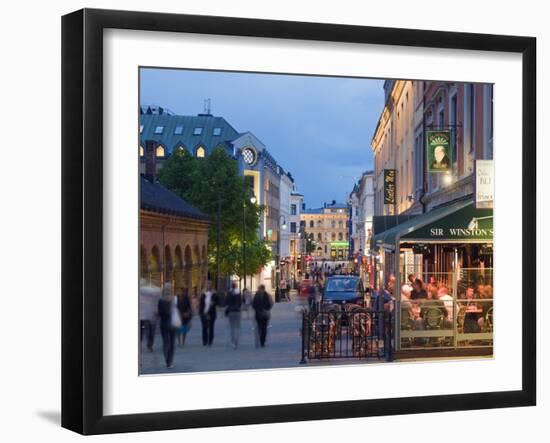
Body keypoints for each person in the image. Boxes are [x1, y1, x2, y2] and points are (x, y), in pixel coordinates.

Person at [157, 283, 178, 368]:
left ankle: (167, 360)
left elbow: (160, 313)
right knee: (172, 343)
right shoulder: (175, 299)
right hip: (172, 322)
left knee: (166, 342)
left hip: (164, 323)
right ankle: (170, 361)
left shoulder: (161, 300)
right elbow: (177, 311)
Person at [139, 284, 160, 352]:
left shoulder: (141, 296)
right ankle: (150, 345)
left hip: (145, 316)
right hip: (152, 316)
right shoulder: (155, 297)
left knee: (147, 331)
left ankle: (147, 345)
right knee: (151, 332)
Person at [199, 281, 218, 346]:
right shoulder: (203, 294)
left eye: (209, 285)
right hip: (203, 313)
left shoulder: (214, 294)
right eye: (207, 285)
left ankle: (210, 340)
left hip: (212, 313)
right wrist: (201, 312)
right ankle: (204, 341)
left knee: (211, 327)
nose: (208, 286)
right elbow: (201, 304)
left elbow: (219, 302)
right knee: (204, 327)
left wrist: (214, 301)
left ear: (211, 286)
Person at [225, 282, 242, 349]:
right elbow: (240, 302)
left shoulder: (229, 293)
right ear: (236, 286)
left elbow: (226, 302)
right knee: (237, 327)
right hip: (237, 311)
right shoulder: (239, 293)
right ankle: (236, 341)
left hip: (231, 311)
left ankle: (232, 342)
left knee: (232, 328)